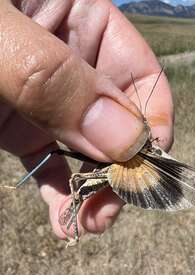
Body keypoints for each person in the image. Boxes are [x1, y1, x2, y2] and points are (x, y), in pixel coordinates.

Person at [0, 0, 174, 240]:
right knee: (57, 155)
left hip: (108, 171)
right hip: (100, 167)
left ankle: (75, 213)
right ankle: (65, 205)